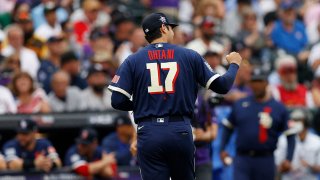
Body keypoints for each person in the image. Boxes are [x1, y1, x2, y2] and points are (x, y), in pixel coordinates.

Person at [108, 12, 242, 180]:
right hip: (180, 129)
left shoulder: (132, 60)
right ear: (163, 28)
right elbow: (222, 86)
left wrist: (144, 104)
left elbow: (117, 101)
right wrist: (234, 65)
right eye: (170, 27)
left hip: (149, 131)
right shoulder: (189, 55)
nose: (173, 31)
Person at [220, 68, 295, 180]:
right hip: (242, 159)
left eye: (260, 81)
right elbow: (227, 127)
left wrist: (288, 159)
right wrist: (222, 149)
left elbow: (290, 134)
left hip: (266, 159)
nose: (257, 85)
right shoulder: (240, 104)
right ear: (250, 84)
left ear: (266, 83)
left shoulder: (278, 108)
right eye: (254, 82)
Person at [275, 109, 320, 180]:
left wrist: (310, 166)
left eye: (298, 120)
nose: (295, 123)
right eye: (294, 120)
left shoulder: (317, 141)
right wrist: (285, 166)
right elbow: (278, 166)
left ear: (306, 122)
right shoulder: (283, 139)